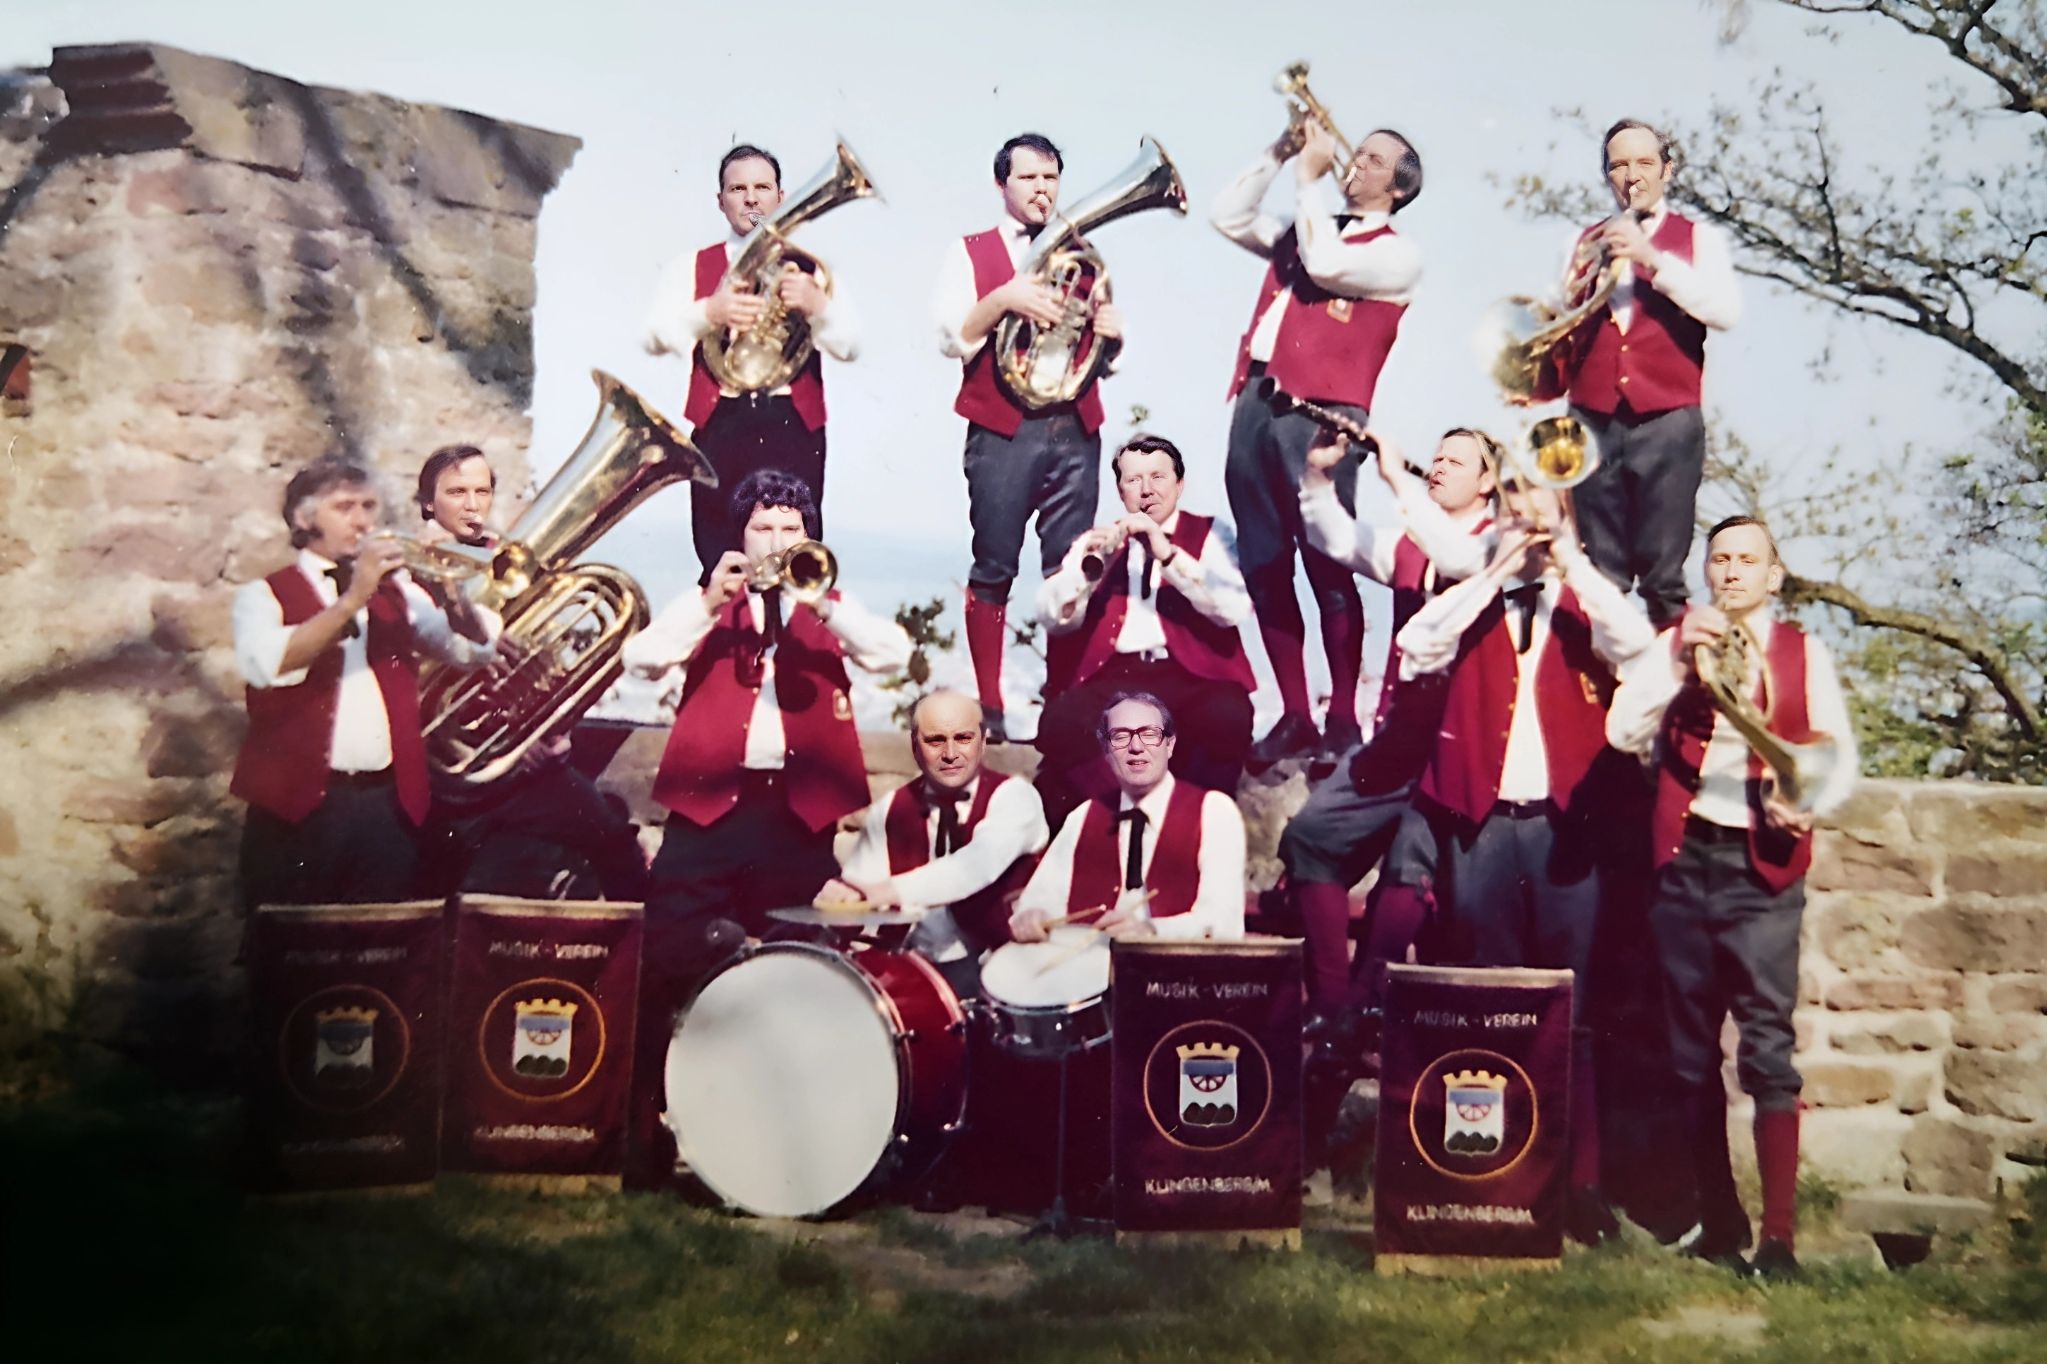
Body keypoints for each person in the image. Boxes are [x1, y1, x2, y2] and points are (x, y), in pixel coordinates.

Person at [616, 469, 909, 1190]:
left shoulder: (829, 603)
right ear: (737, 536)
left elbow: (893, 656)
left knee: (796, 974)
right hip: (709, 811)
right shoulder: (709, 606)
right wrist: (712, 598)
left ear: (810, 537)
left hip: (795, 815)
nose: (777, 542)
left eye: (790, 529)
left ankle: (788, 1141)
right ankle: (647, 1143)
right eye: (762, 529)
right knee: (667, 964)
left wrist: (821, 603)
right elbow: (640, 658)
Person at [1389, 478, 1657, 1244]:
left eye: (1542, 516)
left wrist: (1568, 560)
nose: (1528, 528)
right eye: (1516, 516)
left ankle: (1578, 1182)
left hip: (1563, 829)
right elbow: (1416, 646)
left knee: (1569, 1011)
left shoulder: (1584, 602)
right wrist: (1492, 568)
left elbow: (1638, 647)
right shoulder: (1471, 599)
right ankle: (1499, 1172)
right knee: (1491, 1003)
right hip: (1479, 824)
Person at [1606, 516, 1857, 1279]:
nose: (1732, 571)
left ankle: (1777, 1240)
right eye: (1719, 559)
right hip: (1683, 867)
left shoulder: (1801, 654)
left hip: (1761, 871)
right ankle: (1720, 1220)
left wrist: (1807, 803)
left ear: (1773, 577)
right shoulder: (1680, 643)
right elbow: (1622, 730)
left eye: (1749, 560)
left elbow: (1835, 757)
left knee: (1767, 1052)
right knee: (1688, 1057)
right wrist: (1677, 657)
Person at [1212, 114, 1424, 766]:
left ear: (1397, 188)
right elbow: (1226, 215)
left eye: (1372, 161)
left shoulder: (1395, 252)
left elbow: (1327, 266)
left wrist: (1307, 182)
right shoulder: (1310, 227)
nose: (1354, 164)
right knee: (1265, 563)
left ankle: (1340, 718)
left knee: (1328, 565)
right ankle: (1297, 714)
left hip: (1325, 411)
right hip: (1256, 399)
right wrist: (1281, 151)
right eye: (1354, 154)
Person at [1277, 426, 1498, 1023]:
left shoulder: (1505, 543)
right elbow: (1335, 538)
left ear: (1489, 483)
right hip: (1403, 735)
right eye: (1439, 456)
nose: (1439, 466)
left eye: (1458, 461)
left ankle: (1364, 1000)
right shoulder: (1411, 544)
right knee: (1311, 839)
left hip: (1466, 744)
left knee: (1408, 868)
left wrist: (1397, 478)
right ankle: (1334, 999)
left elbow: (1460, 558)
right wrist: (1318, 474)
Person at [231, 458, 499, 908]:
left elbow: (471, 652)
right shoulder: (262, 595)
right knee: (288, 960)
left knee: (382, 952)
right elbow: (270, 664)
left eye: (369, 506)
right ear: (304, 518)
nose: (363, 520)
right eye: (345, 507)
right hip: (297, 811)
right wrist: (354, 596)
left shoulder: (401, 593)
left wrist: (454, 594)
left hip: (385, 807)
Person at [933, 132, 1125, 742]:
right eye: (1029, 178)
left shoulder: (1083, 251)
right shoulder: (969, 252)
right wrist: (1005, 298)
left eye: (1050, 178)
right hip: (1002, 428)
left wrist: (1112, 335)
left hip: (1073, 426)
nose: (1042, 189)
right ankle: (990, 706)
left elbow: (1099, 353)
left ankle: (1061, 710)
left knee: (1068, 570)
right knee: (993, 566)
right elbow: (951, 337)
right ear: (1002, 185)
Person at [411, 445, 649, 903]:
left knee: (615, 844)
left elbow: (549, 664)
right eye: (456, 491)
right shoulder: (408, 573)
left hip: (520, 764)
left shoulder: (512, 563)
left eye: (482, 491)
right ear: (427, 502)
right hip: (441, 776)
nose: (472, 503)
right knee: (429, 892)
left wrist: (542, 736)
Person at [1533, 118, 1741, 628]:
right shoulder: (1579, 242)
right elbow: (1562, 326)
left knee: (1663, 574)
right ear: (1607, 175)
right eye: (1619, 165)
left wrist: (1650, 259)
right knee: (1598, 571)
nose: (1632, 176)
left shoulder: (1699, 239)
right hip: (1591, 418)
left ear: (1667, 171)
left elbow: (1724, 311)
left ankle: (1671, 693)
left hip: (1666, 419)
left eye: (1645, 163)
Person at [646, 143, 860, 579]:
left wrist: (818, 305)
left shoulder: (810, 269)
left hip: (792, 421)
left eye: (762, 187)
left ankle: (786, 646)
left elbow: (850, 345)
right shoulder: (690, 266)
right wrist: (709, 312)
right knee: (718, 553)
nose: (751, 198)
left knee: (796, 554)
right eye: (737, 188)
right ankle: (727, 645)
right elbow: (652, 335)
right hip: (721, 419)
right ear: (720, 201)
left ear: (781, 197)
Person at [1033, 434, 1255, 825]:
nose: (1147, 490)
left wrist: (1167, 554)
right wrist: (1087, 571)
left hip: (1190, 675)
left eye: (1158, 477)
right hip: (1119, 674)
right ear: (1120, 490)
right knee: (1061, 723)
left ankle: (1192, 827)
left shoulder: (1212, 534)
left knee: (1227, 718)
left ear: (1179, 485)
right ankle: (1117, 817)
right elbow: (1053, 616)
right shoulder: (1096, 540)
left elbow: (1234, 607)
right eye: (1133, 480)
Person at [822, 689, 1050, 996]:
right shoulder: (891, 809)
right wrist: (842, 899)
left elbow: (976, 866)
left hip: (1000, 963)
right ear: (915, 746)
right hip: (916, 968)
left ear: (983, 742)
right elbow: (859, 892)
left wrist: (883, 891)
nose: (951, 753)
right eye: (935, 740)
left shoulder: (1015, 797)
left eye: (964, 738)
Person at [1011, 692, 1245, 944]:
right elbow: (1039, 900)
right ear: (1107, 750)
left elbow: (1224, 922)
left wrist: (1151, 931)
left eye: (1149, 734)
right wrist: (1032, 916)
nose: (1136, 747)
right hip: (1086, 974)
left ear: (1170, 745)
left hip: (1174, 975)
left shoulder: (1214, 811)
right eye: (1120, 737)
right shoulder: (1084, 814)